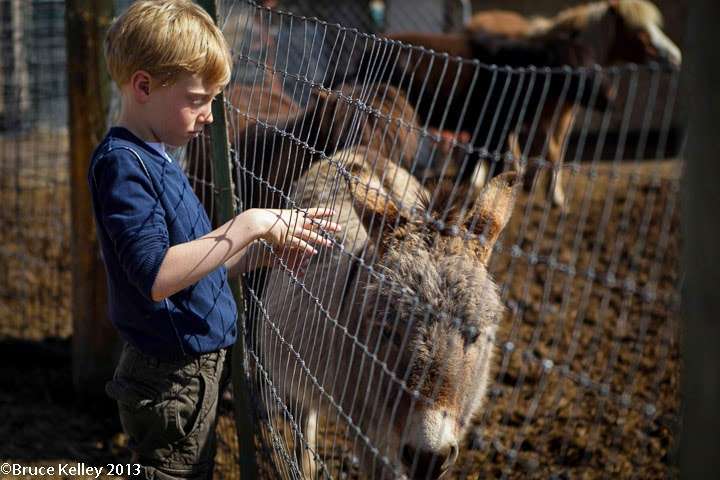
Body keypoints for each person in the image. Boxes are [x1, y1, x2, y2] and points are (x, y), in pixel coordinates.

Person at [88, 1, 341, 478]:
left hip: (192, 371)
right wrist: (248, 224)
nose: (209, 114)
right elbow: (159, 277)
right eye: (198, 99)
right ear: (143, 87)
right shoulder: (123, 166)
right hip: (170, 381)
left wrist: (260, 255)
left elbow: (193, 268)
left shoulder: (158, 155)